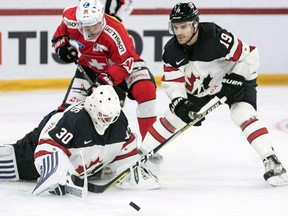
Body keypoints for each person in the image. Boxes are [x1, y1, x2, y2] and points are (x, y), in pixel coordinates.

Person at [3, 0, 160, 176]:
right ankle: (33, 148)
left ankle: (149, 149)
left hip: (122, 66)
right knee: (65, 112)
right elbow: (59, 36)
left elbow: (125, 63)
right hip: (90, 66)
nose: (90, 30)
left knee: (145, 91)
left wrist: (105, 80)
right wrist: (62, 47)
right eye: (86, 25)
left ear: (101, 17)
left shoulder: (115, 31)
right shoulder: (71, 18)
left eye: (94, 24)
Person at [139, 2, 288, 186]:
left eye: (184, 26)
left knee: (241, 113)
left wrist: (236, 77)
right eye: (175, 27)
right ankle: (141, 155)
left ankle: (271, 161)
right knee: (174, 117)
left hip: (234, 78)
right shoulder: (171, 50)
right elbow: (172, 83)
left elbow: (250, 55)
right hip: (203, 84)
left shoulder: (216, 37)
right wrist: (180, 102)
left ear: (195, 24)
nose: (179, 32)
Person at [0, 85, 159, 195]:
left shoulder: (118, 121)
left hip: (77, 161)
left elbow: (127, 152)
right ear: (92, 108)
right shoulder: (75, 121)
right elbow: (45, 148)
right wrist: (55, 173)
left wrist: (131, 170)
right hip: (37, 145)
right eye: (104, 115)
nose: (107, 120)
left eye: (111, 116)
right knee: (10, 162)